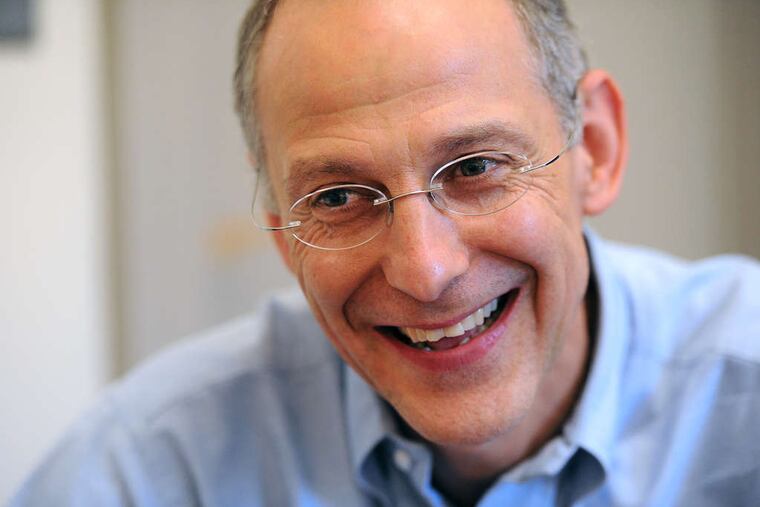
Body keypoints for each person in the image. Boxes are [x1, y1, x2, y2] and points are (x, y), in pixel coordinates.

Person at [10, 0, 760, 505]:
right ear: (282, 229)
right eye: (338, 197)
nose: (425, 271)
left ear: (595, 146)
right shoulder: (155, 466)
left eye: (475, 167)